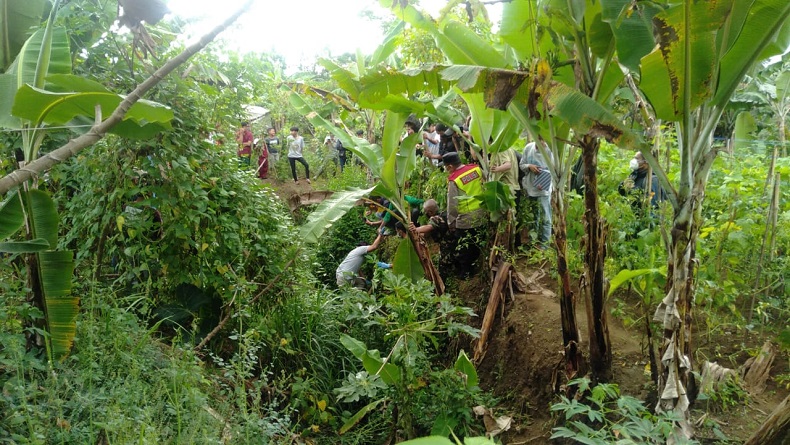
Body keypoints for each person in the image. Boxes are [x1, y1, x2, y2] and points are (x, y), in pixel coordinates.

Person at [443, 151, 487, 278]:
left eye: (446, 168)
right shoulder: (476, 169)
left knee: (464, 248)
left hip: (466, 218)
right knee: (478, 244)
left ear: (450, 166)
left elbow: (452, 204)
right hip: (482, 213)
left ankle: (466, 273)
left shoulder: (454, 180)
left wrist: (451, 222)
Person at [520, 140, 553, 248]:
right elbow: (521, 165)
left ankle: (545, 245)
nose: (542, 142)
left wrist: (544, 181)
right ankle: (533, 242)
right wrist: (529, 166)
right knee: (534, 216)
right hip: (531, 187)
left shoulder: (550, 150)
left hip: (544, 189)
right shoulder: (528, 148)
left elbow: (554, 170)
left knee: (546, 217)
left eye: (543, 140)